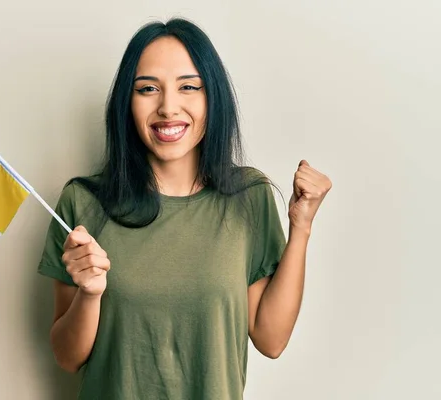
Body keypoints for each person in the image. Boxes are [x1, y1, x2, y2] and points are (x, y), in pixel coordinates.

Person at [37, 17, 332, 400]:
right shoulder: (82, 202)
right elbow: (66, 357)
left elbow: (271, 339)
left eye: (189, 86)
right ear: (127, 102)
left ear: (213, 98)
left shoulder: (249, 196)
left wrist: (302, 227)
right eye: (147, 89)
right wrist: (89, 294)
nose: (167, 107)